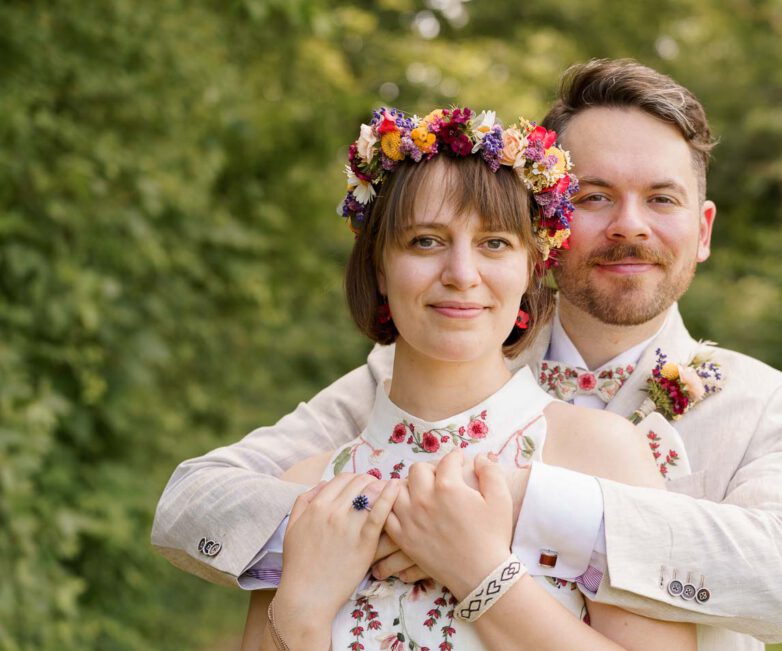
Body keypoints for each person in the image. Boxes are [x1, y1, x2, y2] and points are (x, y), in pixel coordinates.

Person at [153, 59, 782, 650]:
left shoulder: (761, 402)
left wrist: (520, 504)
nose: (630, 224)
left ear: (703, 228)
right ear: (554, 226)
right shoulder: (410, 368)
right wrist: (369, 525)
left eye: (661, 198)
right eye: (598, 196)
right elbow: (195, 500)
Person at [237, 106, 696, 650]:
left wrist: (479, 573)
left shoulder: (602, 455)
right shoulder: (309, 489)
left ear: (531, 268)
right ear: (380, 268)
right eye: (425, 241)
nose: (461, 274)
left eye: (494, 243)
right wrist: (303, 606)